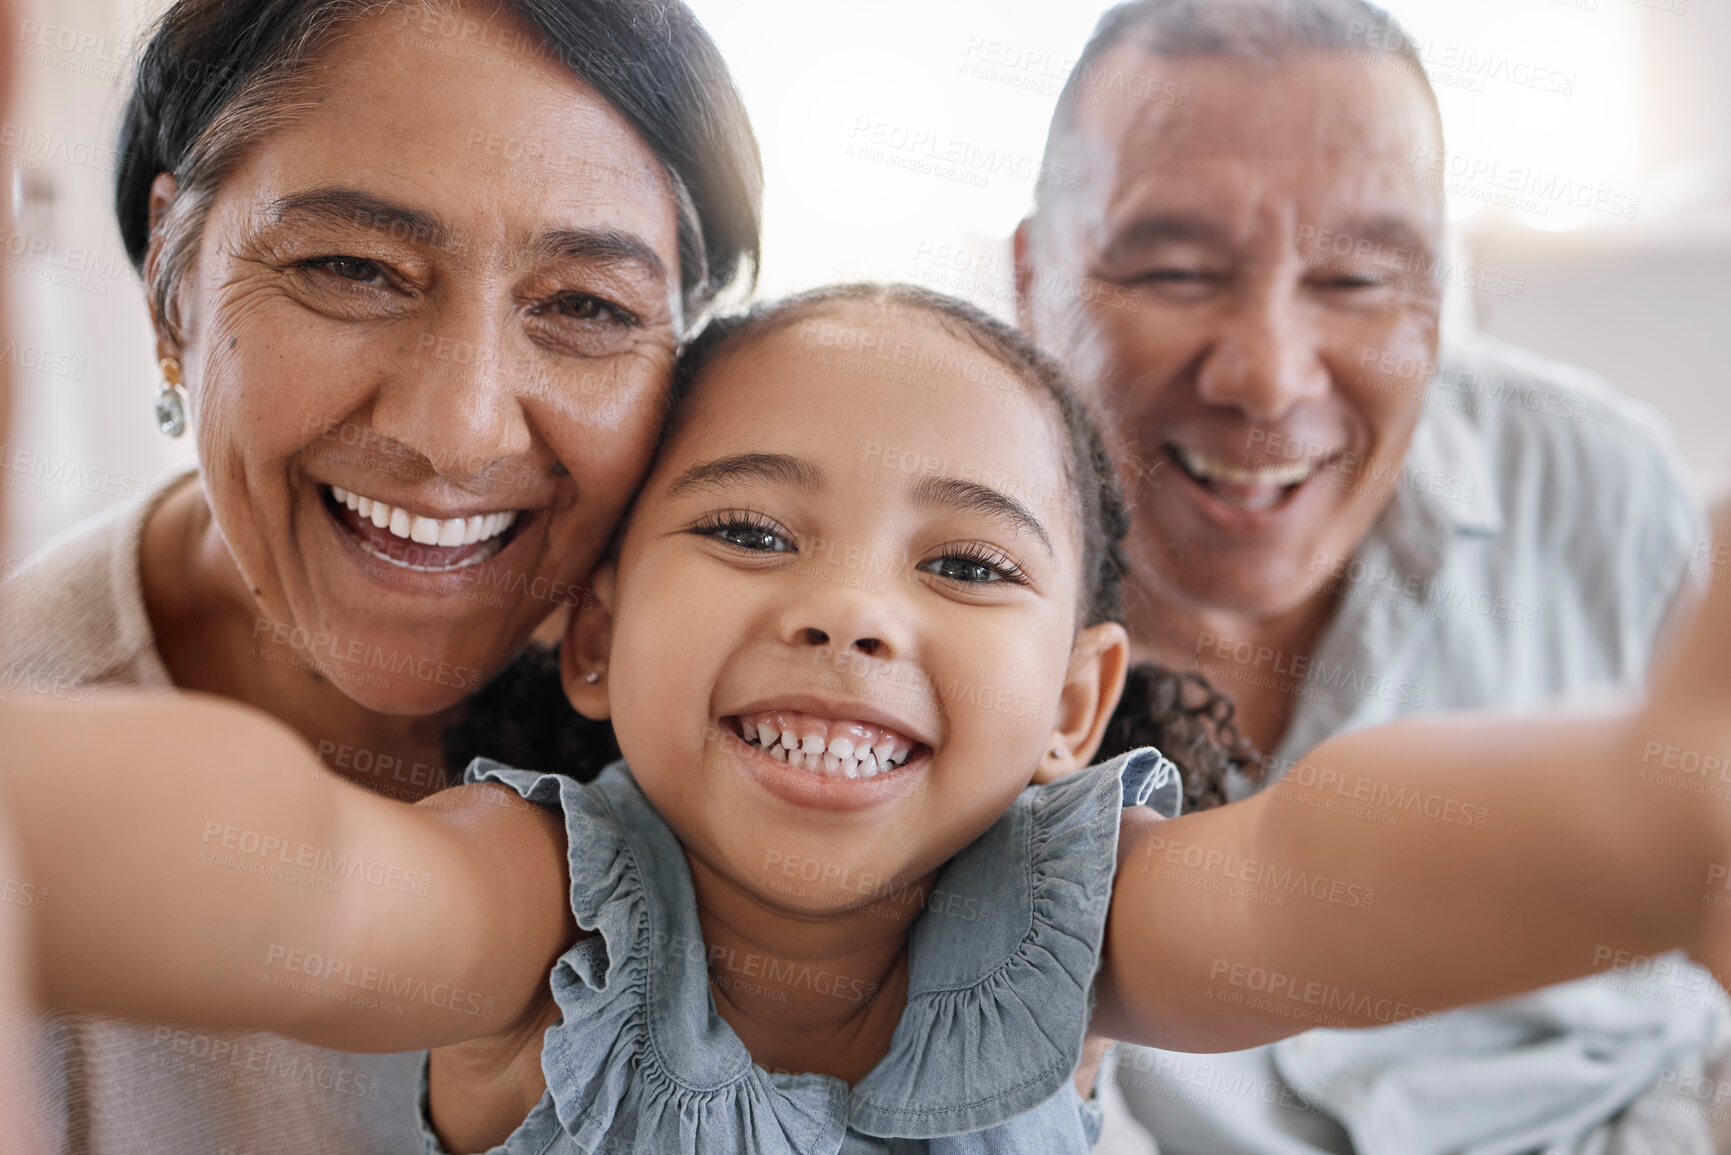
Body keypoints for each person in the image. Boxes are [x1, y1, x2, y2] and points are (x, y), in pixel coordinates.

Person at [4, 283, 1731, 1155]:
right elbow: (303, 883)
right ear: (595, 638)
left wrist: (1642, 825)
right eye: (751, 533)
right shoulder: (550, 911)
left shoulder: (1071, 919)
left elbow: (1312, 886)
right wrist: (41, 833)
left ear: (1072, 705)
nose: (849, 611)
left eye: (966, 567)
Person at [0, 0, 761, 1150]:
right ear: (173, 278)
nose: (457, 431)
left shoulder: (775, 722)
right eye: (354, 269)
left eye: (586, 307)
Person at [1012, 1, 1720, 1149]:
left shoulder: (1596, 485)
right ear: (1032, 276)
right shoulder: (916, 606)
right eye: (1181, 271)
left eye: (1357, 282)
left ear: (1446, 302)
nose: (1269, 378)